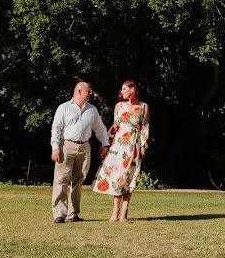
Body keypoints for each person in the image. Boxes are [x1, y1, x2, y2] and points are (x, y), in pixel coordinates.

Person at [50, 81, 110, 223]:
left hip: (84, 147)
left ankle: (73, 214)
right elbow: (56, 128)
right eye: (88, 91)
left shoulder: (92, 110)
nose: (90, 93)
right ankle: (59, 214)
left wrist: (105, 144)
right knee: (61, 180)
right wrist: (55, 147)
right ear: (79, 91)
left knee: (78, 181)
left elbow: (100, 128)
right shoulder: (64, 108)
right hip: (66, 145)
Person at [92, 79, 150, 222]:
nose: (122, 92)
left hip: (134, 144)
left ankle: (124, 212)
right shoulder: (119, 106)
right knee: (117, 177)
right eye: (121, 89)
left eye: (124, 89)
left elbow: (145, 127)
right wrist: (106, 144)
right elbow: (115, 126)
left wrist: (143, 146)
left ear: (132, 90)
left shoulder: (143, 107)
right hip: (118, 146)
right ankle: (115, 211)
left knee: (129, 178)